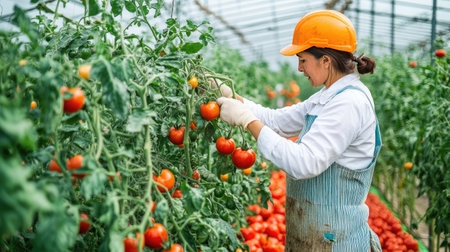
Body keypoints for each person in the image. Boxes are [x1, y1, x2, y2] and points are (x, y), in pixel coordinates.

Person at [212, 9, 382, 252]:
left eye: (303, 60)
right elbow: (278, 121)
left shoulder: (349, 103)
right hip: (318, 234)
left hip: (335, 241)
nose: (299, 68)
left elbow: (305, 163)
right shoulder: (327, 97)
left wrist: (247, 121)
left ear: (326, 60)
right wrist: (233, 97)